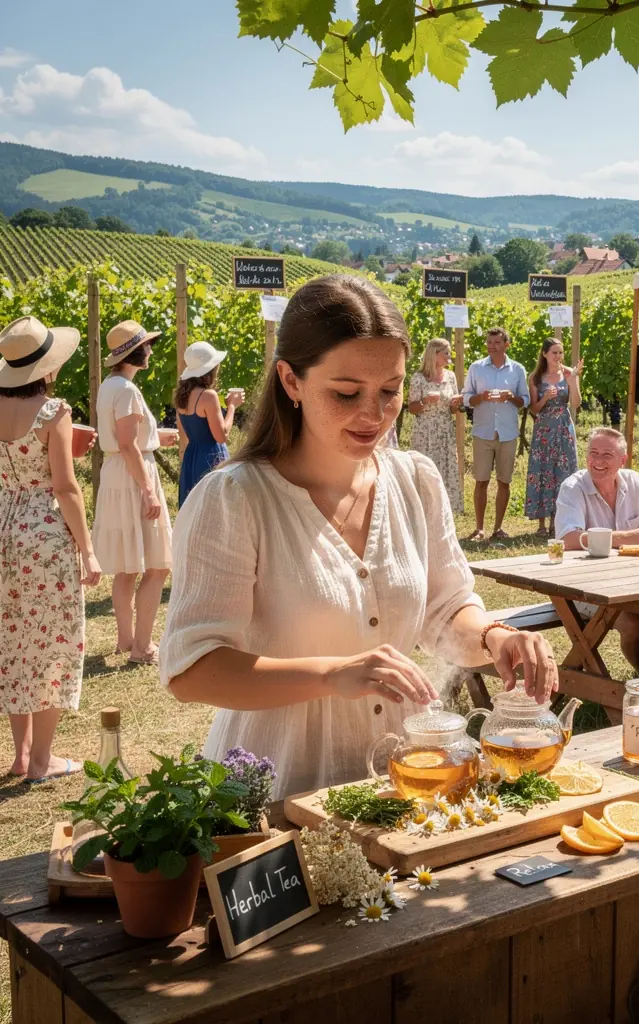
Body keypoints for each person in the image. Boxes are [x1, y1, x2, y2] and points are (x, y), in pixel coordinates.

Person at [161, 276, 557, 799]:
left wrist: (495, 637)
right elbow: (192, 669)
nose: (374, 414)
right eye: (346, 393)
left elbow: (446, 612)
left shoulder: (416, 480)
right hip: (277, 791)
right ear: (291, 381)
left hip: (407, 783)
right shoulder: (235, 499)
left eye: (390, 391)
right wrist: (331, 674)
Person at [0, 317, 102, 782]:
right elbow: (65, 487)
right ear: (47, 367)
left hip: (4, 526)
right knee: (52, 640)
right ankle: (42, 760)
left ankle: (20, 755)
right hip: (43, 534)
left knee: (13, 639)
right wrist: (88, 550)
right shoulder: (54, 411)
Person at [555, 428, 639, 676]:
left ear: (623, 460)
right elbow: (568, 539)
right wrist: (623, 538)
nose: (598, 461)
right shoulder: (573, 487)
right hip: (584, 587)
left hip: (634, 583)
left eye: (606, 455)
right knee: (631, 620)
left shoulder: (633, 481)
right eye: (593, 453)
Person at [91, 320, 178, 666]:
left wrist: (155, 438)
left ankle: (127, 640)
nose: (151, 351)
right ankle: (141, 648)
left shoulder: (110, 386)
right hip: (132, 477)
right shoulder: (126, 390)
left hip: (118, 473)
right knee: (158, 565)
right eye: (147, 346)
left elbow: (124, 440)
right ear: (135, 353)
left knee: (127, 566)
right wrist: (149, 491)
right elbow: (128, 444)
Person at [462, 327, 529, 542]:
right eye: (489, 342)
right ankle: (479, 528)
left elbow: (525, 400)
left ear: (506, 344)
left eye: (497, 343)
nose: (492, 346)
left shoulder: (517, 369)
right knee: (481, 481)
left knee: (504, 481)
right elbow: (466, 398)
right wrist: (481, 397)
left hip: (507, 433)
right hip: (483, 431)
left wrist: (510, 397)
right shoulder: (476, 368)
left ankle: (498, 528)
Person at [175, 341, 245, 507]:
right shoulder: (208, 396)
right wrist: (232, 407)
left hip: (191, 457)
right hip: (211, 457)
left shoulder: (181, 396)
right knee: (215, 508)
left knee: (194, 508)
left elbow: (185, 435)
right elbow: (221, 436)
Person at [526, 338, 582, 536]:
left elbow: (575, 403)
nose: (558, 356)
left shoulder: (568, 373)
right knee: (542, 470)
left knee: (563, 471)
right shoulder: (535, 378)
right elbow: (534, 409)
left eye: (560, 352)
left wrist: (572, 381)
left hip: (564, 427)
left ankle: (557, 521)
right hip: (544, 429)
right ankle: (541, 523)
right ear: (544, 354)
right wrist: (545, 398)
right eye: (554, 353)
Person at [408, 337, 464, 514]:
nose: (449, 356)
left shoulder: (450, 377)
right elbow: (412, 408)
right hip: (426, 431)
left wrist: (455, 403)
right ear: (435, 354)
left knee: (446, 469)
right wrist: (425, 401)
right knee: (425, 470)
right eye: (446, 353)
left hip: (445, 430)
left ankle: (444, 512)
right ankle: (423, 510)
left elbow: (453, 410)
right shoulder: (418, 378)